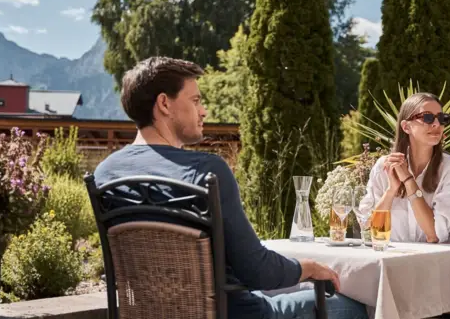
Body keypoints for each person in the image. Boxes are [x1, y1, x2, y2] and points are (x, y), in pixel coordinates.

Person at [93, 57, 368, 319]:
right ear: (164, 104)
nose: (204, 111)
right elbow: (257, 271)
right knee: (354, 307)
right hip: (240, 314)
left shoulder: (106, 173)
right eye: (196, 100)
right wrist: (308, 267)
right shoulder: (206, 170)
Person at [359, 92, 450, 244]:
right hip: (394, 259)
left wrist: (408, 180)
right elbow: (369, 229)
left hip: (443, 262)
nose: (437, 124)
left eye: (442, 118)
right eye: (427, 117)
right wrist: (391, 191)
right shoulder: (384, 167)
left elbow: (434, 235)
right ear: (406, 127)